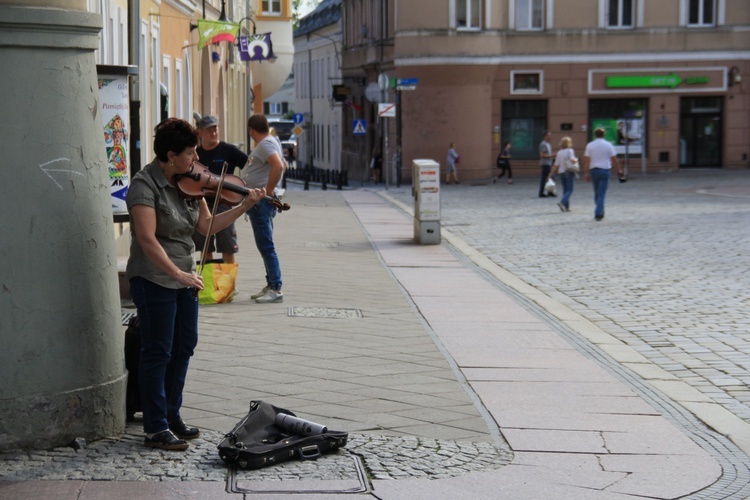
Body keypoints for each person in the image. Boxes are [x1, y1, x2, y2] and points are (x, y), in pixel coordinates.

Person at [126, 118, 263, 451]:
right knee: (158, 350)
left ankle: (172, 415)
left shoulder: (189, 183)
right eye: (190, 153)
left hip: (186, 276)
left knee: (185, 345)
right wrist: (177, 273)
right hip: (155, 277)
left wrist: (244, 205)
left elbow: (207, 224)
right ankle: (155, 427)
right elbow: (146, 239)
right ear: (171, 155)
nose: (196, 159)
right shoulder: (144, 187)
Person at [191, 115, 249, 264]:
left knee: (227, 245)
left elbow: (249, 164)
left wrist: (244, 184)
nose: (213, 133)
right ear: (201, 133)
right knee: (205, 247)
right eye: (209, 130)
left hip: (223, 203)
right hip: (202, 202)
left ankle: (229, 286)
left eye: (215, 129)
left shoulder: (228, 150)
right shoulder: (197, 153)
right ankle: (209, 285)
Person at [241, 114, 287, 303]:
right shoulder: (271, 141)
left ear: (251, 130)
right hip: (260, 201)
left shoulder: (266, 144)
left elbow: (278, 166)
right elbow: (282, 164)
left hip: (262, 202)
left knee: (266, 246)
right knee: (264, 245)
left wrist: (267, 192)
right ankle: (271, 283)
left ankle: (275, 288)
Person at [582, 127, 624, 221]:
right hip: (605, 170)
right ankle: (599, 212)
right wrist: (619, 170)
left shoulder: (590, 145)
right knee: (601, 193)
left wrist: (586, 173)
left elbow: (586, 160)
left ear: (595, 135)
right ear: (604, 134)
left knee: (597, 193)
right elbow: (614, 159)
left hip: (594, 170)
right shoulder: (608, 145)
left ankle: (599, 211)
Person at [549, 136, 578, 212]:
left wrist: (550, 174)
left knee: (565, 190)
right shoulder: (570, 151)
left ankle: (566, 207)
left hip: (561, 172)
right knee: (570, 190)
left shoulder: (559, 153)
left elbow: (555, 164)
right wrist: (576, 159)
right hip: (568, 171)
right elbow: (572, 160)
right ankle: (562, 202)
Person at [538, 131, 555, 197]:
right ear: (545, 136)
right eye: (549, 135)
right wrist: (551, 155)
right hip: (545, 163)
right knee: (550, 177)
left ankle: (543, 192)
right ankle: (548, 192)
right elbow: (542, 155)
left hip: (548, 163)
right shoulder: (543, 144)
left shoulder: (548, 144)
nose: (550, 137)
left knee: (545, 178)